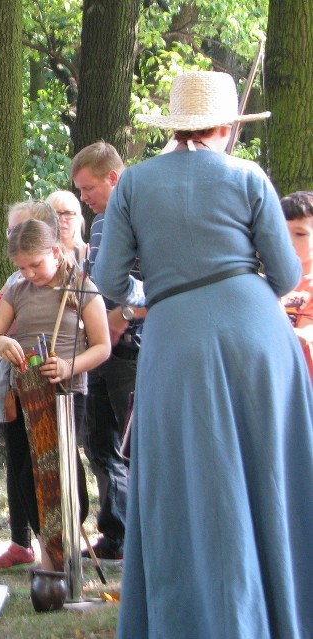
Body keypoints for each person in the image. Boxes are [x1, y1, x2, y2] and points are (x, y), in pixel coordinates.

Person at [93, 70, 313, 638]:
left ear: (178, 124)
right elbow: (288, 274)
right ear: (225, 126)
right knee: (269, 471)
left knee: (188, 478)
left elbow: (110, 280)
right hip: (259, 337)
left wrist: (162, 276)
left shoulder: (135, 185)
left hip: (177, 339)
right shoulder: (248, 176)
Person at [0, 218, 110, 569]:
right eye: (22, 267)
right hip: (25, 396)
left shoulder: (80, 287)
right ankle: (47, 550)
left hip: (66, 394)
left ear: (54, 251)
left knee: (63, 474)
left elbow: (103, 346)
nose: (29, 273)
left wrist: (68, 365)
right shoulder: (18, 290)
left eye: (35, 264)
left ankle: (64, 547)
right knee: (25, 475)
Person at [71, 141, 143, 561]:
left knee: (137, 447)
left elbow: (160, 283)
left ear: (113, 178)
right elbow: (94, 280)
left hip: (134, 349)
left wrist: (123, 316)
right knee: (99, 444)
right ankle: (115, 535)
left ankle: (144, 537)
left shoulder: (144, 216)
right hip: (97, 349)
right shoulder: (98, 224)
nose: (84, 197)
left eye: (88, 188)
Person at [0, 200, 59, 570]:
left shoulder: (68, 277)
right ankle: (25, 542)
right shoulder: (19, 281)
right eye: (11, 232)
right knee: (21, 465)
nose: (15, 238)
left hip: (59, 393)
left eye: (21, 230)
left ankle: (57, 549)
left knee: (55, 473)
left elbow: (99, 341)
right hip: (18, 385)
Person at [280, 191, 313, 378]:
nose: (289, 242)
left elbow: (306, 335)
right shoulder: (270, 283)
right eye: (283, 233)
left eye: (300, 234)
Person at [45, 190, 87, 265]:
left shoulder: (90, 255)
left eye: (68, 213)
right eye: (56, 213)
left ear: (78, 219)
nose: (62, 219)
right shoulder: (39, 255)